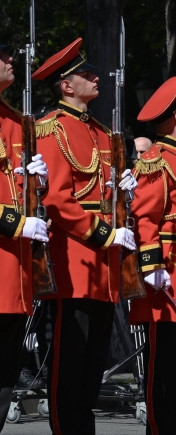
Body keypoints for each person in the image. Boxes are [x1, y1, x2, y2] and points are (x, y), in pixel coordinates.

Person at [33, 38, 138, 434]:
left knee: (93, 364)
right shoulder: (52, 129)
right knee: (71, 358)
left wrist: (126, 191)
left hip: (105, 264)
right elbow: (57, 200)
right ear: (66, 86)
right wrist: (105, 234)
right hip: (75, 258)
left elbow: (107, 192)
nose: (96, 78)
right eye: (86, 74)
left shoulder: (102, 132)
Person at [128, 77, 176, 434]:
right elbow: (144, 216)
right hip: (171, 270)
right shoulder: (156, 160)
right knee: (166, 364)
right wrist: (152, 263)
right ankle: (162, 428)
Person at [0, 43, 49, 432]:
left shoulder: (17, 121)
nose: (10, 61)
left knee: (4, 375)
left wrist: (39, 184)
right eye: (1, 56)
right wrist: (16, 224)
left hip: (14, 271)